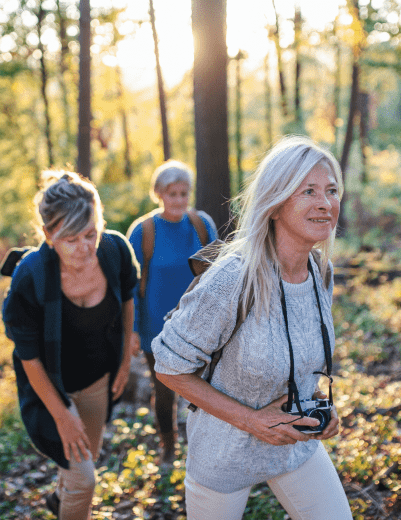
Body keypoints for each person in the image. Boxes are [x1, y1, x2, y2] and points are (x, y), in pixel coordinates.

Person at [151, 136, 354, 519]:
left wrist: (319, 406)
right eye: (308, 191)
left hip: (295, 444)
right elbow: (167, 365)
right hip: (223, 456)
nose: (325, 203)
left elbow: (301, 351)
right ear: (275, 203)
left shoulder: (319, 272)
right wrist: (253, 421)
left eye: (330, 191)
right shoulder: (233, 278)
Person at [2, 170, 139, 520]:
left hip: (97, 378)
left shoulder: (115, 251)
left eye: (91, 234)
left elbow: (127, 301)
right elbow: (28, 356)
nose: (84, 248)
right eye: (71, 239)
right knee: (84, 480)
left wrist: (124, 362)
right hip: (50, 386)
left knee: (82, 458)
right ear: (49, 235)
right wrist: (62, 416)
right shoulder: (30, 276)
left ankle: (58, 501)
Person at [127, 160, 218, 465]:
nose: (178, 200)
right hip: (158, 328)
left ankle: (202, 450)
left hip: (199, 325)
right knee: (165, 390)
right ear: (159, 194)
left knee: (204, 390)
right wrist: (133, 330)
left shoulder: (202, 225)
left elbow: (219, 275)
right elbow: (131, 287)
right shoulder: (143, 232)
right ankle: (168, 447)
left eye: (183, 193)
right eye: (172, 194)